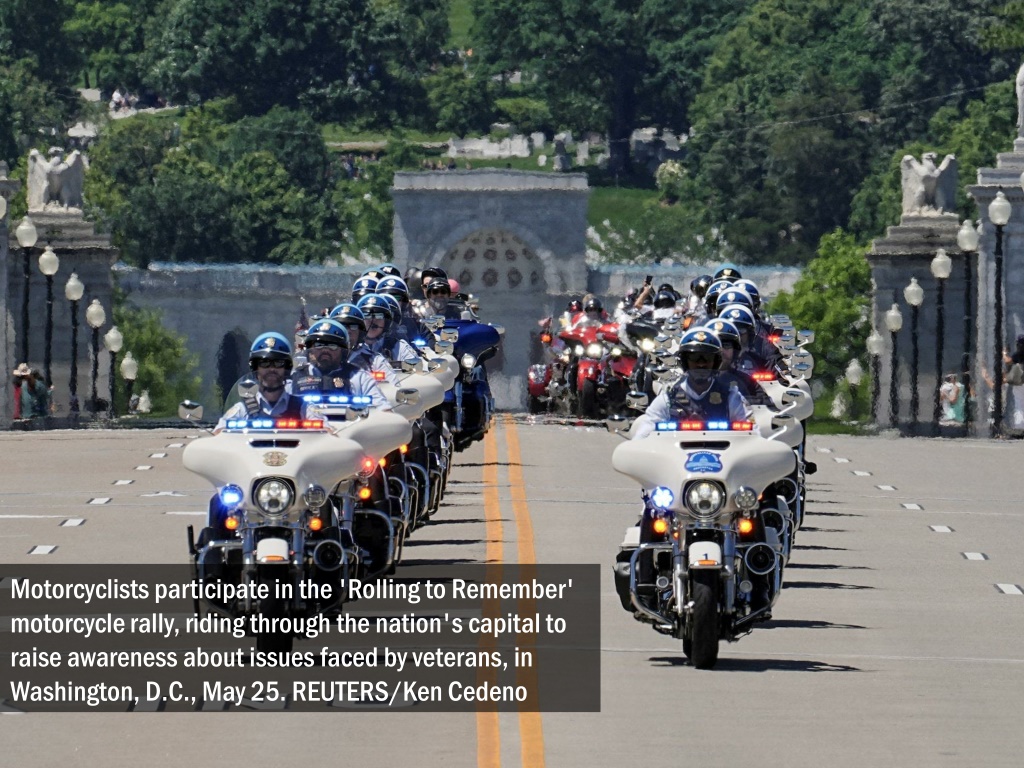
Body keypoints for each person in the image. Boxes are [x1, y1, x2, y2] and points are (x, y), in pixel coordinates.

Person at [631, 329, 756, 439]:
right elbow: (641, 439)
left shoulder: (731, 397)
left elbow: (754, 436)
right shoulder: (667, 399)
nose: (701, 364)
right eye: (694, 358)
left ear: (716, 362)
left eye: (707, 358)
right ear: (685, 361)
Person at [291, 319, 390, 409]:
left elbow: (383, 410)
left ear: (343, 351)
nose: (325, 350)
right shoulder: (294, 377)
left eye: (332, 346)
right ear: (310, 349)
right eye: (319, 345)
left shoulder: (359, 377)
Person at [216, 334, 303, 430]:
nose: (271, 369)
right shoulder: (242, 410)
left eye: (278, 363)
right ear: (255, 369)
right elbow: (217, 435)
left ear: (287, 368)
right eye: (264, 363)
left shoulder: (304, 408)